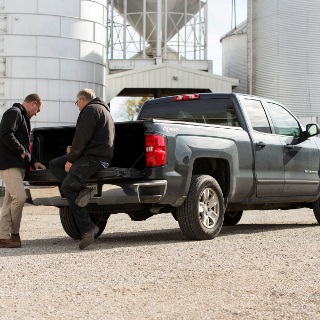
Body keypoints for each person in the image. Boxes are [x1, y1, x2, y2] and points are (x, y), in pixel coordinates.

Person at [49, 89, 115, 250]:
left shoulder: (90, 110)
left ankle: (88, 228)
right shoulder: (102, 110)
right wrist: (74, 151)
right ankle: (83, 189)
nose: (77, 106)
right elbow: (90, 138)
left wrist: (71, 159)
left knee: (67, 187)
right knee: (54, 164)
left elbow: (82, 136)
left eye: (77, 103)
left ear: (82, 100)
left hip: (93, 158)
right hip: (94, 155)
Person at [0, 93, 46, 248]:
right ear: (33, 103)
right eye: (37, 110)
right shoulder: (15, 112)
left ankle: (3, 237)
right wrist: (21, 151)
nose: (36, 113)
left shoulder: (22, 116)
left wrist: (34, 162)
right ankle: (13, 234)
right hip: (10, 165)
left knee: (8, 202)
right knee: (19, 198)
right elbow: (5, 133)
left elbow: (25, 147)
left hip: (17, 166)